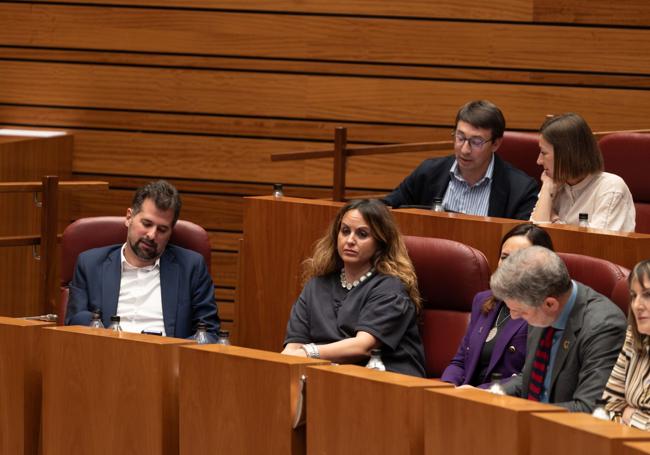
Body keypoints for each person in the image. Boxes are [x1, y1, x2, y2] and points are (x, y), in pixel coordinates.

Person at [282, 199, 426, 377]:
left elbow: (362, 347)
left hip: (388, 383)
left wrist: (307, 353)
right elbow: (293, 346)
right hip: (329, 378)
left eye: (362, 234)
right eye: (345, 231)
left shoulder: (391, 288)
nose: (350, 240)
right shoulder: (316, 285)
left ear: (381, 243)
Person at [65, 180, 220, 340]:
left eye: (162, 229)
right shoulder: (90, 264)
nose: (152, 235)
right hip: (106, 356)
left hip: (168, 360)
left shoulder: (191, 268)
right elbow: (73, 323)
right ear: (129, 217)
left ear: (171, 232)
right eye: (146, 224)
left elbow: (209, 333)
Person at [491, 246, 626, 412]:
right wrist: (489, 395)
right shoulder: (541, 308)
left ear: (550, 304)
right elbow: (530, 379)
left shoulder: (603, 326)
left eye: (521, 311)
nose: (513, 317)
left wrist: (525, 414)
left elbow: (588, 408)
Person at [383, 100, 538, 220]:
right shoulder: (429, 172)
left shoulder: (521, 189)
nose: (465, 150)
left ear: (496, 144)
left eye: (476, 142)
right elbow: (387, 207)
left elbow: (523, 245)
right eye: (460, 137)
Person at [441, 224, 554, 387]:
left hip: (506, 403)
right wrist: (447, 387)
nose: (508, 265)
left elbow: (527, 379)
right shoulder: (483, 301)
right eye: (504, 257)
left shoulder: (544, 312)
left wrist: (477, 393)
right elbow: (460, 362)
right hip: (466, 399)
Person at [530, 112, 636, 232]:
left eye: (544, 153)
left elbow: (594, 246)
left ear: (567, 154)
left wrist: (554, 219)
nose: (538, 161)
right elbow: (533, 239)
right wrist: (547, 188)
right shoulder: (553, 183)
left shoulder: (611, 188)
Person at [603, 260, 650, 429]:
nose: (637, 305)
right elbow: (608, 406)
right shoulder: (634, 338)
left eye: (648, 295)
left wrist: (630, 416)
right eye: (633, 295)